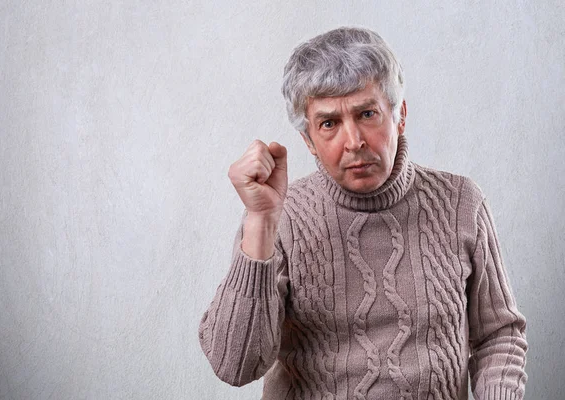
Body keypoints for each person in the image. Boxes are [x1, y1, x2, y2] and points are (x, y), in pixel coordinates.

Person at [198, 27, 527, 400]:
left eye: (367, 113)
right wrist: (260, 221)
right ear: (308, 139)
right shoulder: (281, 217)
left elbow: (499, 334)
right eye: (329, 123)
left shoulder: (460, 203)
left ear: (399, 115)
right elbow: (234, 366)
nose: (353, 141)